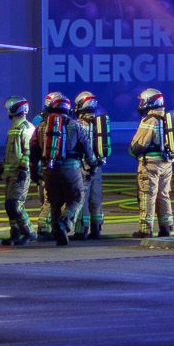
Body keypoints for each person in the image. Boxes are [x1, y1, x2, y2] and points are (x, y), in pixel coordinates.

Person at [31, 91, 89, 246]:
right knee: (76, 198)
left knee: (54, 201)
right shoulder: (76, 126)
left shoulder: (42, 127)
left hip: (48, 170)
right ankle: (65, 222)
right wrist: (92, 165)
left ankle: (57, 232)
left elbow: (33, 150)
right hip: (71, 169)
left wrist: (33, 171)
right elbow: (87, 150)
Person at [127, 88, 174, 238]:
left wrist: (132, 152)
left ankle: (145, 230)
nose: (141, 104)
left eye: (142, 101)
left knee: (147, 196)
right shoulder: (167, 119)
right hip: (166, 164)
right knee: (163, 195)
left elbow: (139, 145)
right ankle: (166, 227)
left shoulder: (149, 121)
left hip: (150, 165)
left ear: (149, 102)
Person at [0, 95, 36, 245]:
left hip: (20, 173)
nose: (7, 111)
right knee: (9, 206)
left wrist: (23, 169)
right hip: (10, 173)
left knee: (16, 204)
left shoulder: (26, 128)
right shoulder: (14, 128)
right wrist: (2, 166)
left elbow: (28, 151)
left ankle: (29, 232)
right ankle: (14, 234)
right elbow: (10, 151)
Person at [74, 91, 109, 240]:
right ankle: (96, 229)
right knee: (96, 199)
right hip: (98, 167)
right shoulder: (99, 125)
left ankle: (81, 230)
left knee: (82, 199)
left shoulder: (77, 126)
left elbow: (73, 147)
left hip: (83, 167)